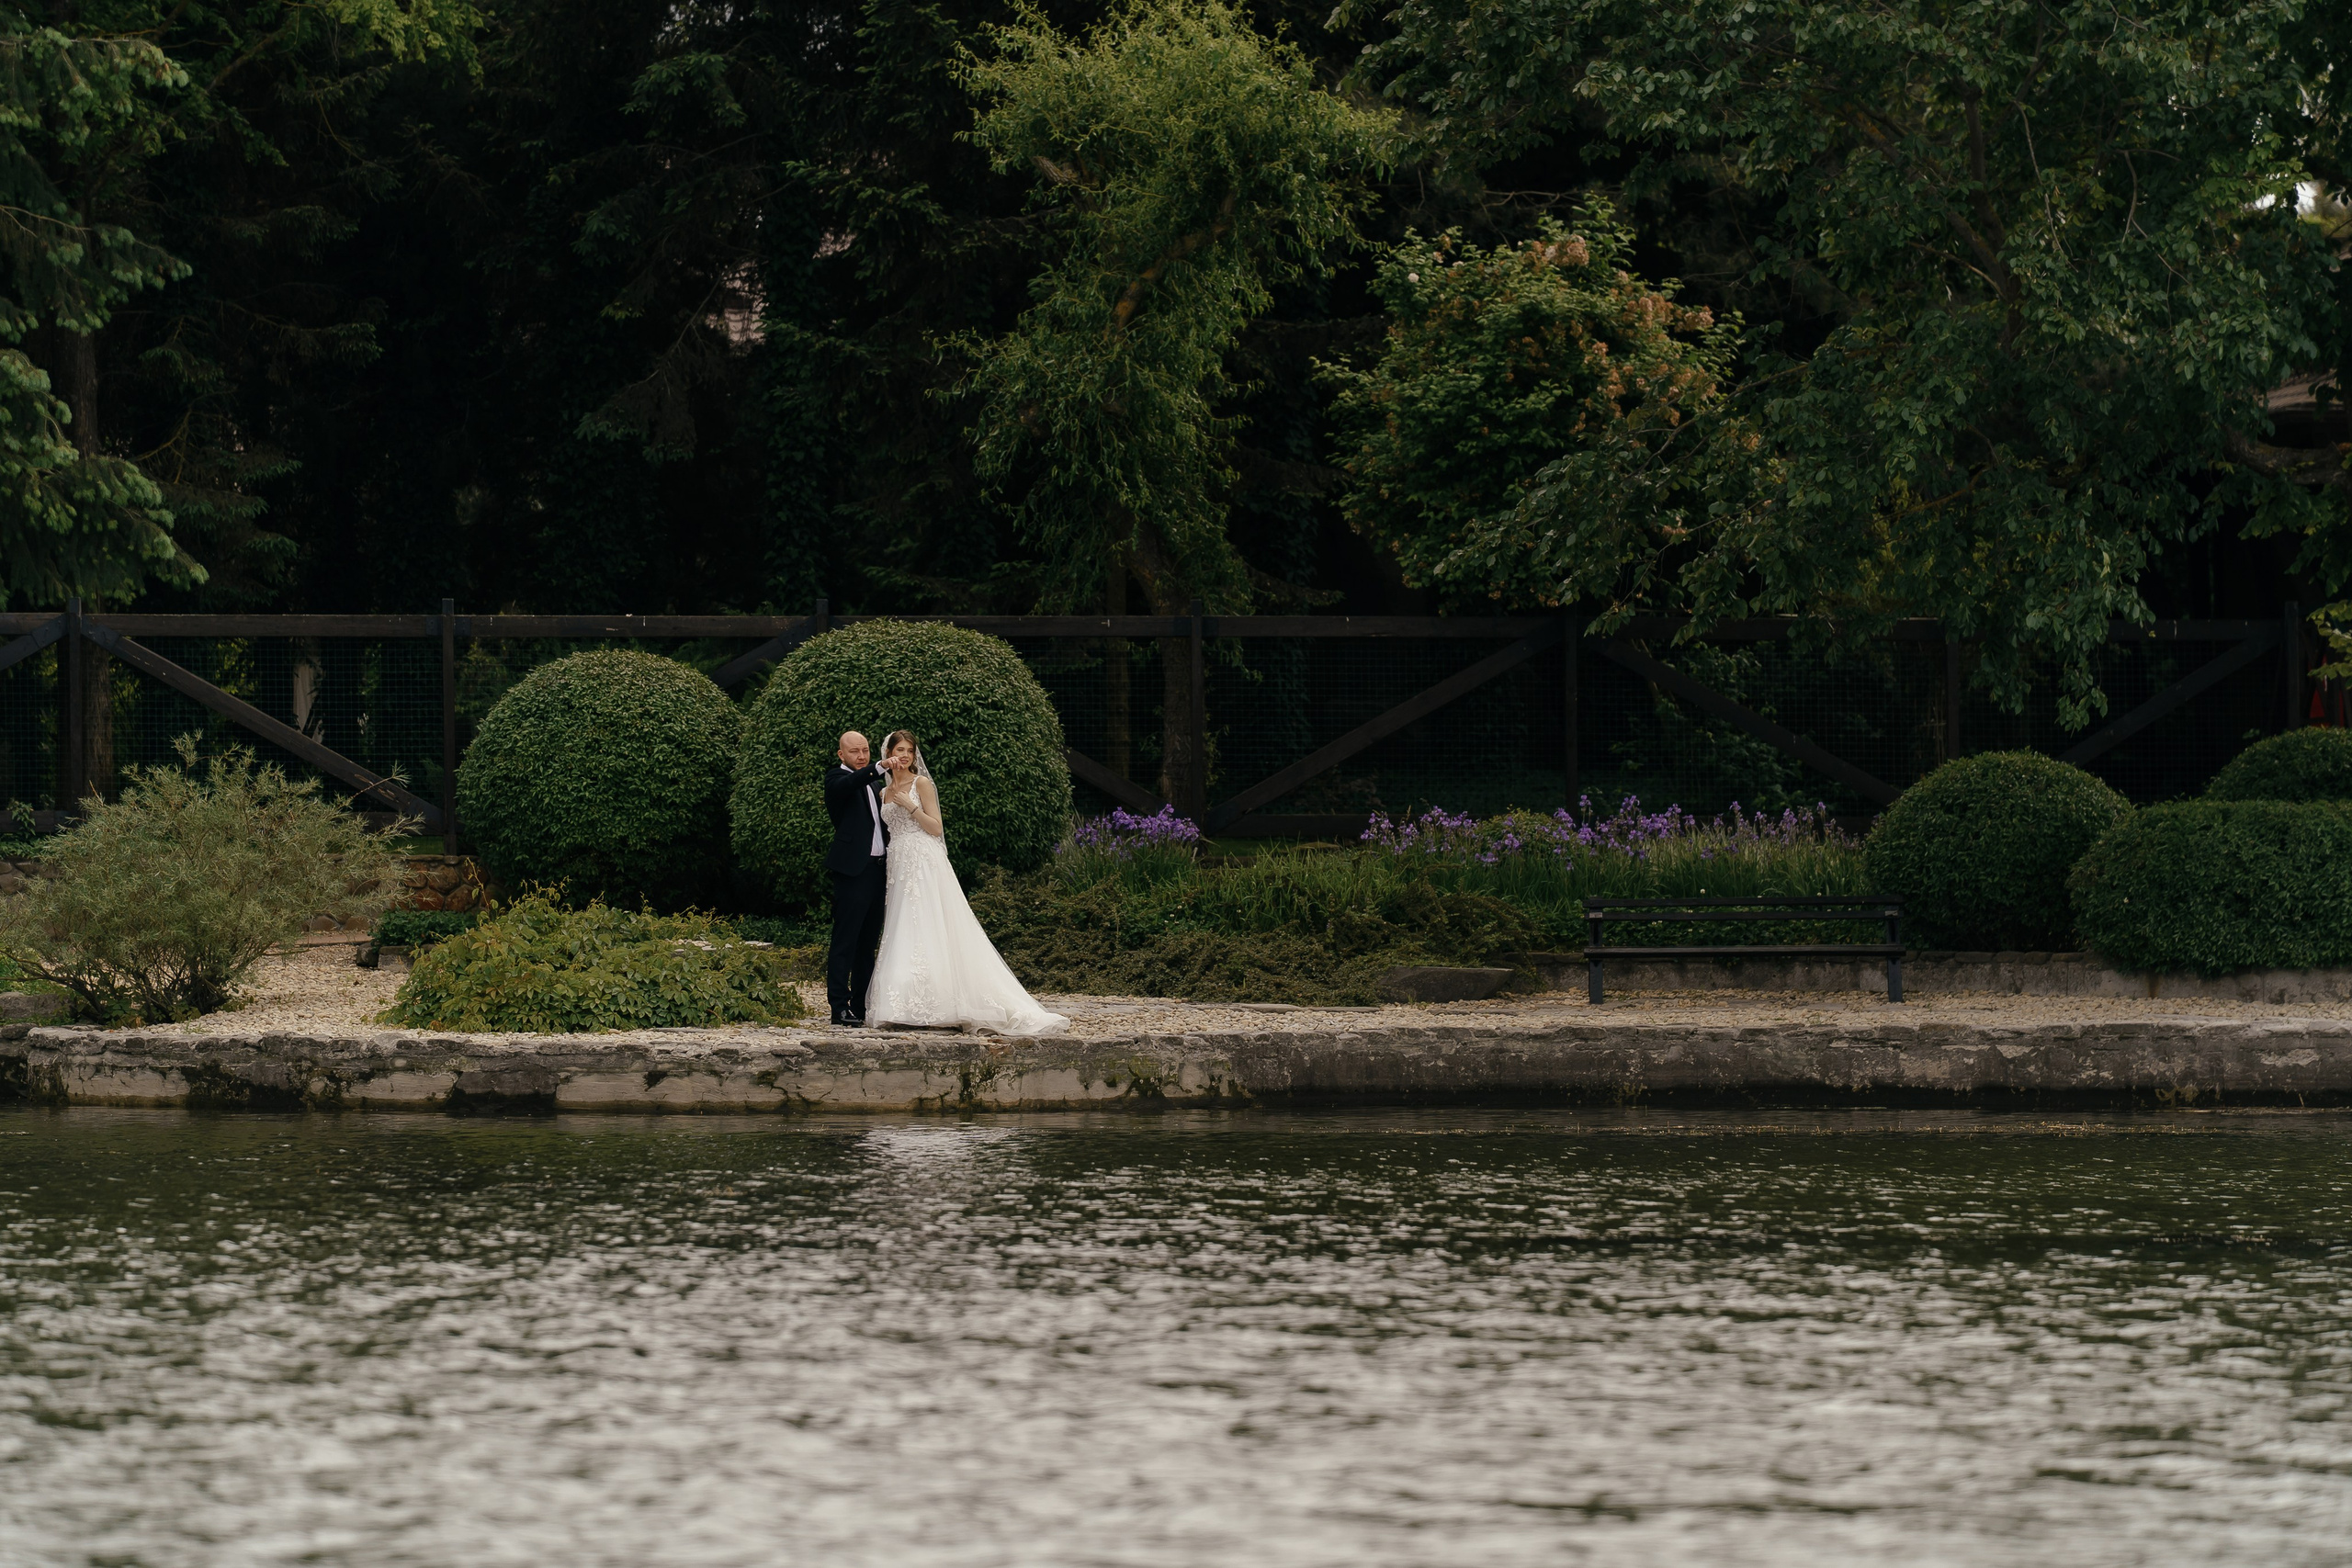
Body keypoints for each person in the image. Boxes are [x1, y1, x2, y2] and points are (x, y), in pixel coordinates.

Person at [865, 728, 1069, 1036]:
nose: (904, 756)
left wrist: (910, 806)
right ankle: (903, 1004)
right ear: (888, 755)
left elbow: (935, 828)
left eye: (909, 750)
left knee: (930, 923)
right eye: (899, 750)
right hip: (898, 863)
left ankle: (944, 1003)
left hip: (924, 859)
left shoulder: (921, 784)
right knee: (903, 925)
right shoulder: (883, 793)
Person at [823, 730, 889, 1027]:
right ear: (842, 755)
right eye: (855, 752)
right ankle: (838, 1008)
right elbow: (851, 783)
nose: (862, 756)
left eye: (865, 750)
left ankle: (860, 1006)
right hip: (852, 873)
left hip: (878, 871)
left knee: (867, 944)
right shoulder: (837, 780)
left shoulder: (874, 784)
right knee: (845, 942)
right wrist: (877, 766)